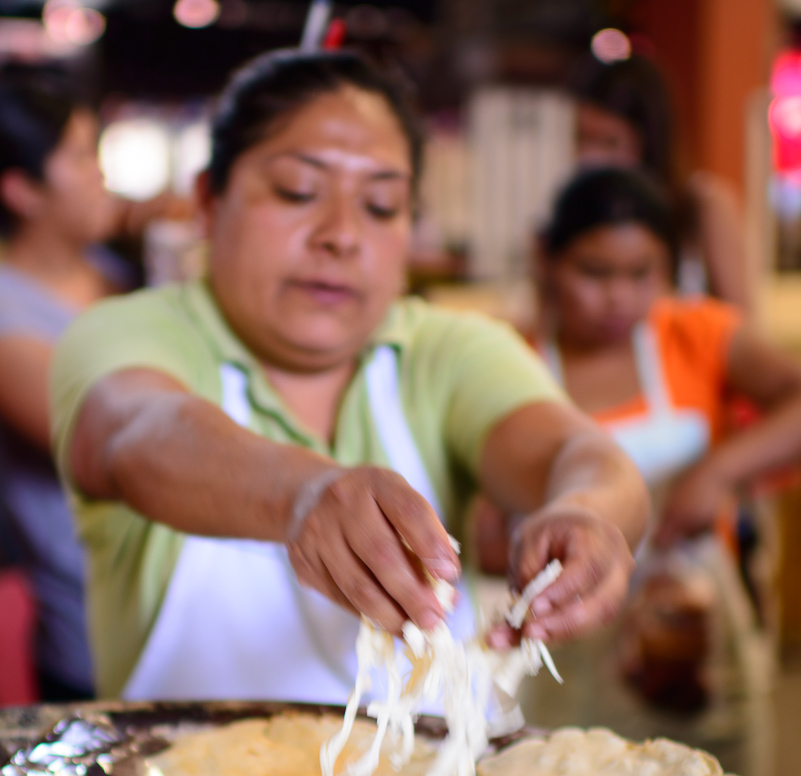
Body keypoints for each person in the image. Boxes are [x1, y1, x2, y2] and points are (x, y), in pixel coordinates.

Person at [50, 49, 647, 704]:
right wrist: (303, 495)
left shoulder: (443, 349)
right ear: (208, 201)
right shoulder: (131, 332)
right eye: (297, 192)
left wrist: (587, 515)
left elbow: (582, 455)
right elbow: (139, 432)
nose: (340, 234)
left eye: (381, 205)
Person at [476, 167, 801, 776]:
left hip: (690, 637)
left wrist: (718, 471)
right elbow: (483, 526)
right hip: (566, 641)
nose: (618, 295)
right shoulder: (508, 358)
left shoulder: (695, 334)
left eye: (641, 274)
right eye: (594, 272)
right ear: (546, 260)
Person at [0, 68, 120, 700]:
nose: (102, 173)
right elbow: (104, 440)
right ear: (22, 189)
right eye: (80, 155)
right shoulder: (7, 313)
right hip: (91, 639)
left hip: (177, 618)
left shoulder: (113, 274)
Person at [569, 53, 751, 311]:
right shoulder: (580, 214)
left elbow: (741, 327)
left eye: (611, 142)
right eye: (582, 139)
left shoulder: (703, 204)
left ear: (650, 140)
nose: (593, 158)